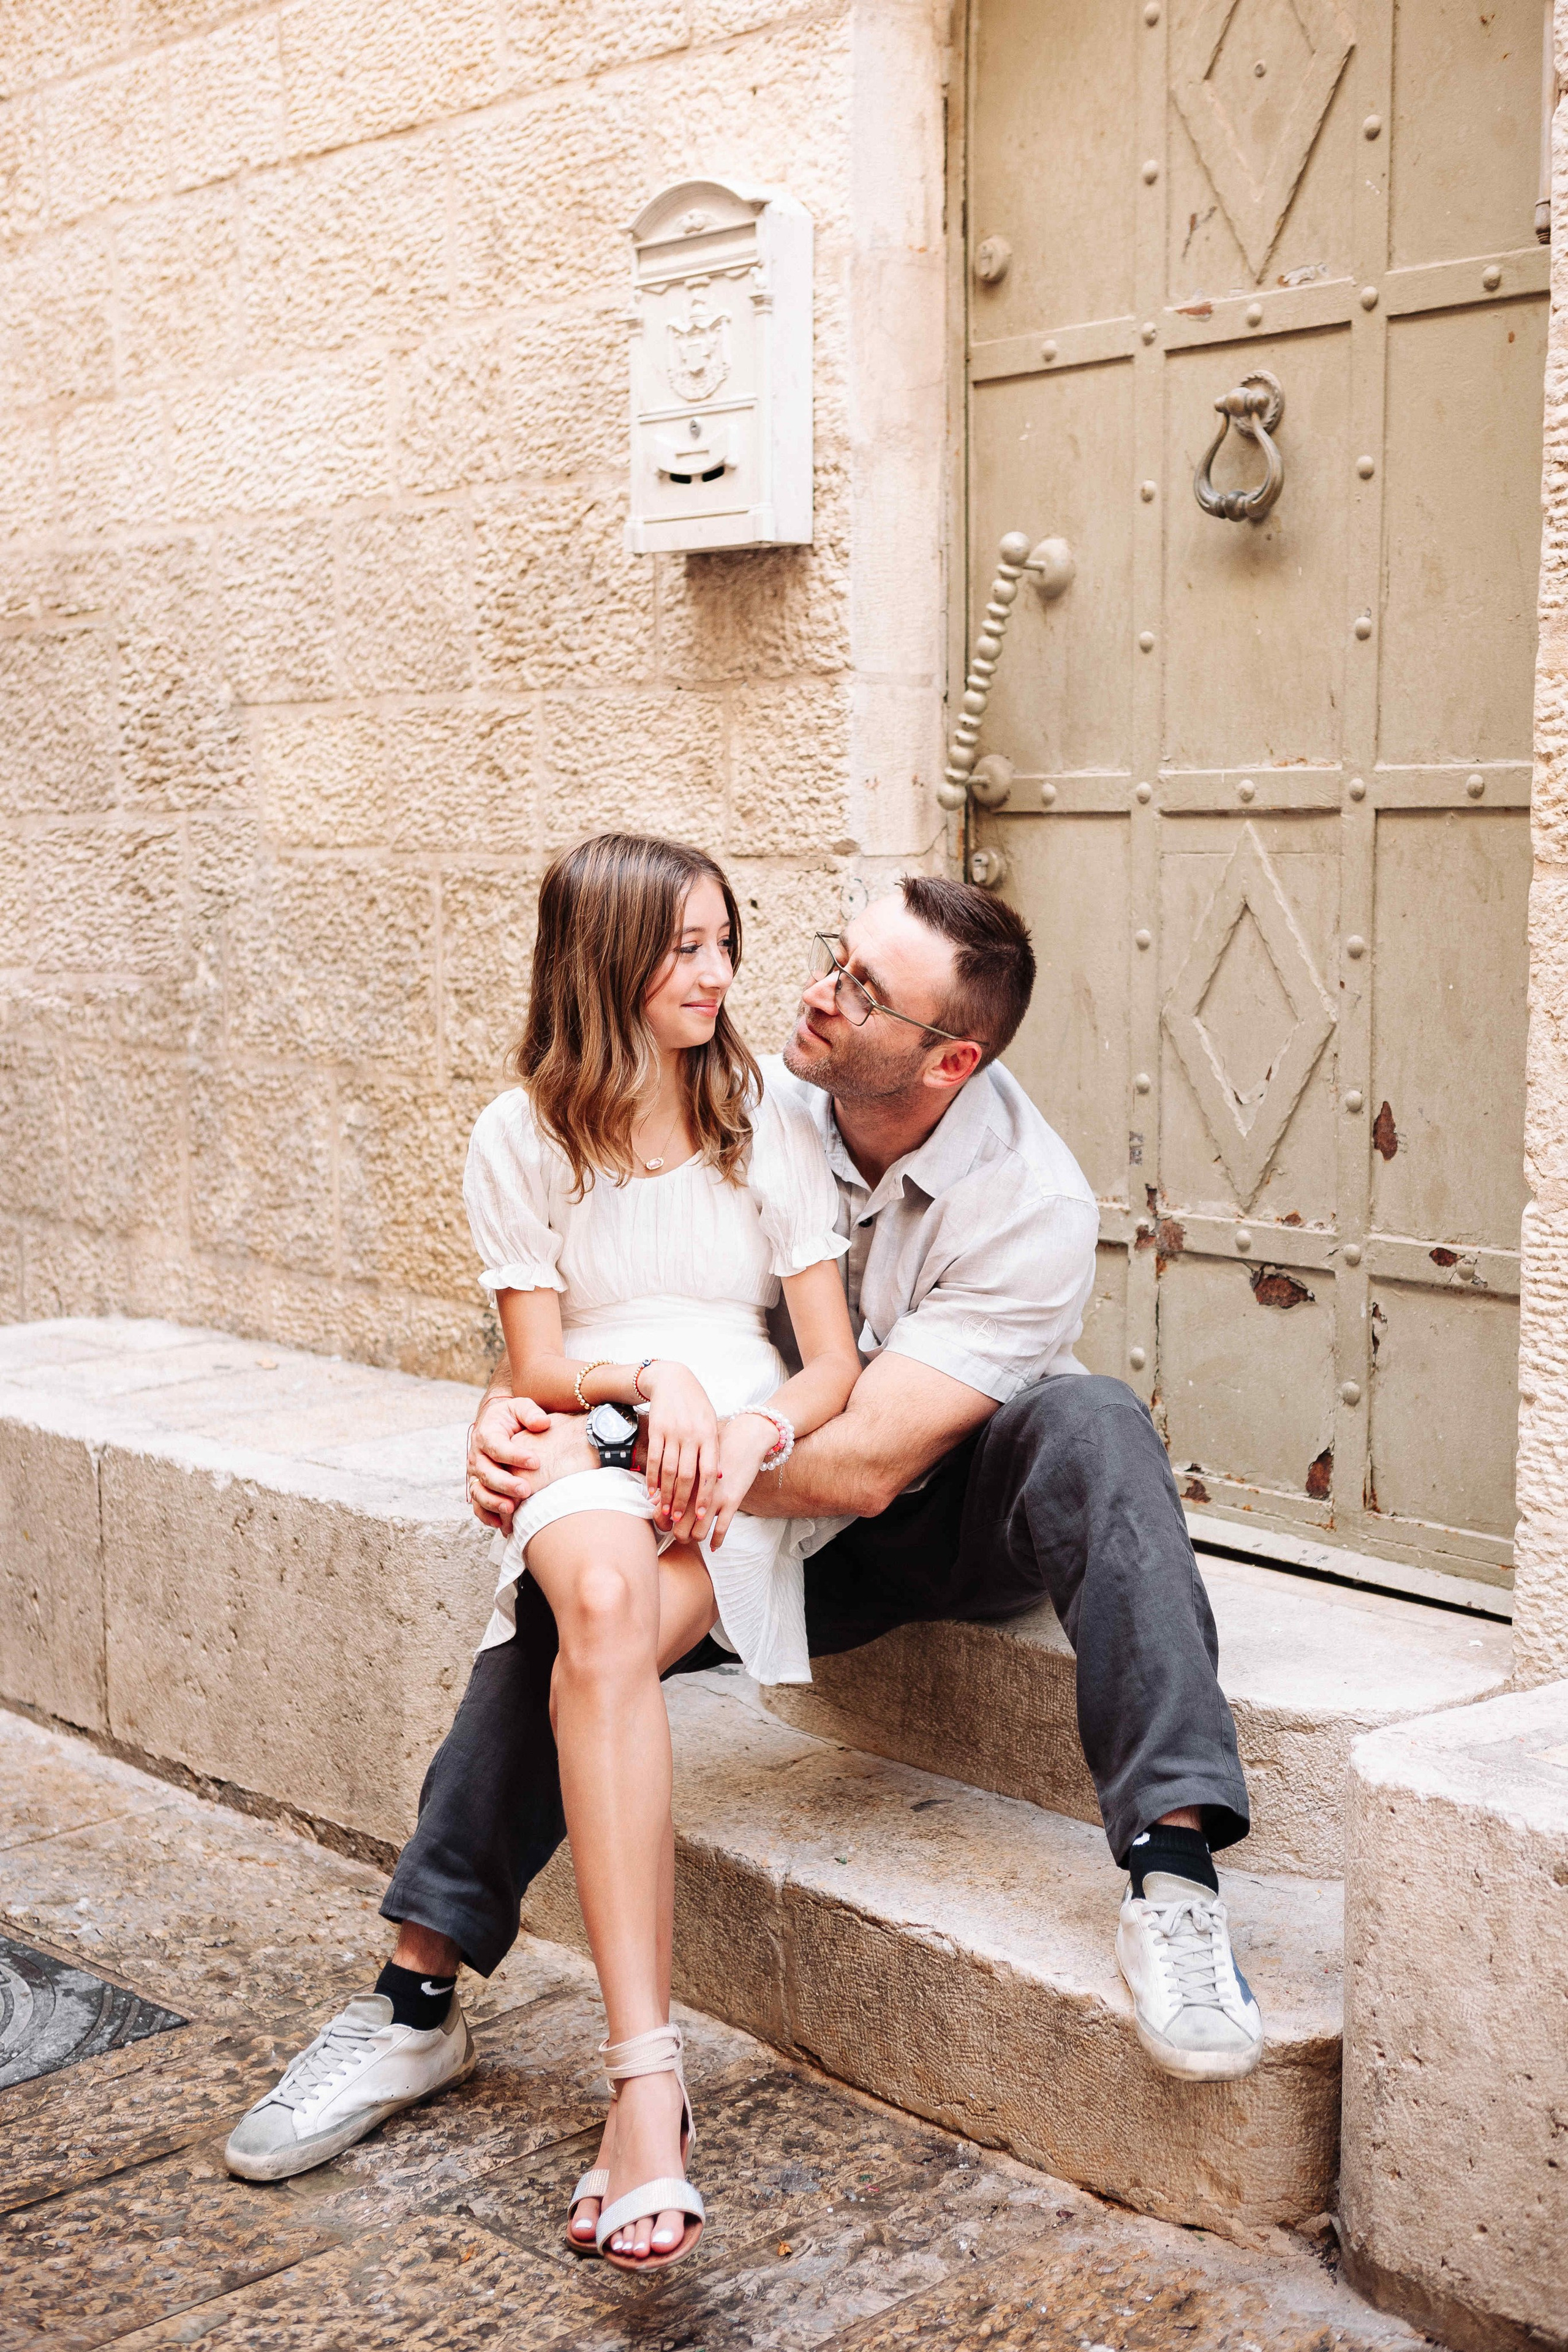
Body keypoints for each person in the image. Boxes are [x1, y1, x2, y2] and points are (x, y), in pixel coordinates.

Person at [226, 867, 1262, 2226]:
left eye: (859, 991)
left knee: (1095, 1423)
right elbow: (596, 1292)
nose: (812, 995)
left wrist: (615, 1466)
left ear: (946, 1058)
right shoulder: (753, 1098)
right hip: (741, 1508)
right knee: (572, 1604)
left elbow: (877, 1457)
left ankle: (1171, 1880)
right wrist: (513, 1417)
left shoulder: (1031, 1203)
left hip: (922, 1518)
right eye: (830, 960)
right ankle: (413, 2000)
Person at [224, 835, 861, 2275]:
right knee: (591, 1593)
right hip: (598, 1435)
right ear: (605, 959)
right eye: (683, 946)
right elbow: (537, 1366)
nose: (716, 974)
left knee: (587, 1637)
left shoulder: (767, 1120)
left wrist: (742, 1433)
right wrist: (649, 1386)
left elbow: (829, 1366)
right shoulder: (521, 1136)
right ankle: (650, 2079)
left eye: (722, 942)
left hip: (739, 1471)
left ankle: (491, 2033)